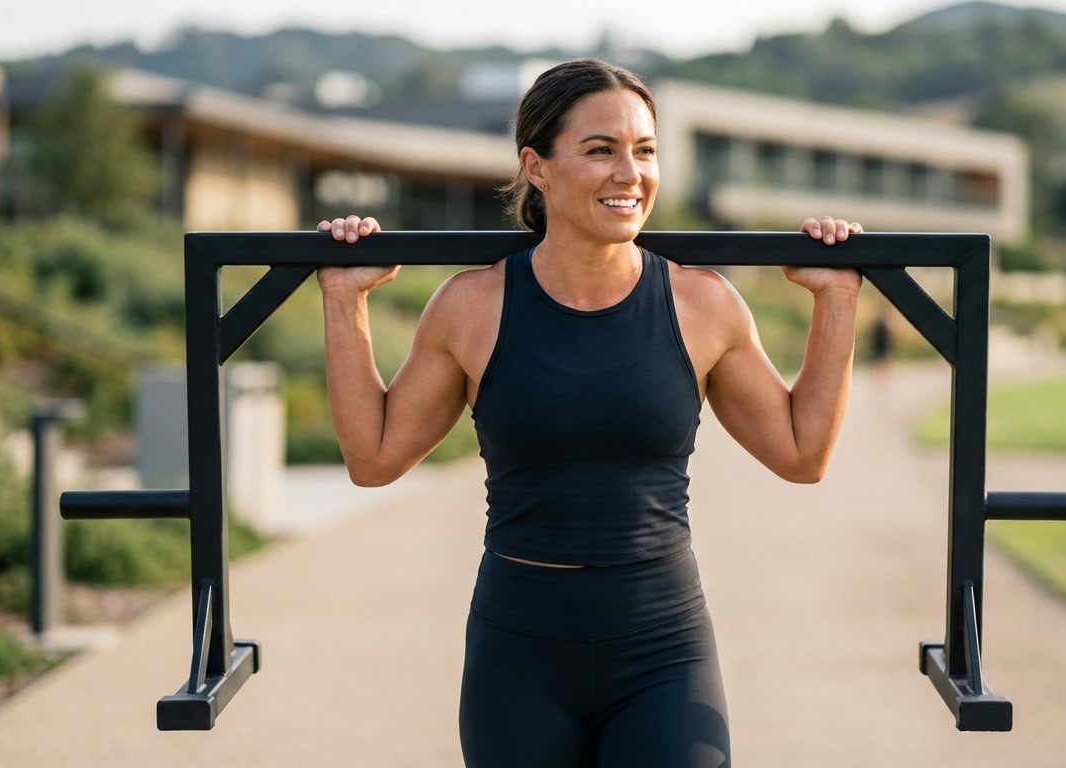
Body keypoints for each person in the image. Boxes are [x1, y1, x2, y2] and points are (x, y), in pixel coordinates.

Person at [316, 58, 863, 768]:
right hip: (518, 654)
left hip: (663, 651)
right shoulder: (471, 307)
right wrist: (344, 301)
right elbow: (373, 459)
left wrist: (836, 300)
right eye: (601, 150)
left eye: (645, 151)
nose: (630, 174)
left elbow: (802, 454)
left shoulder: (703, 304)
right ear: (536, 167)